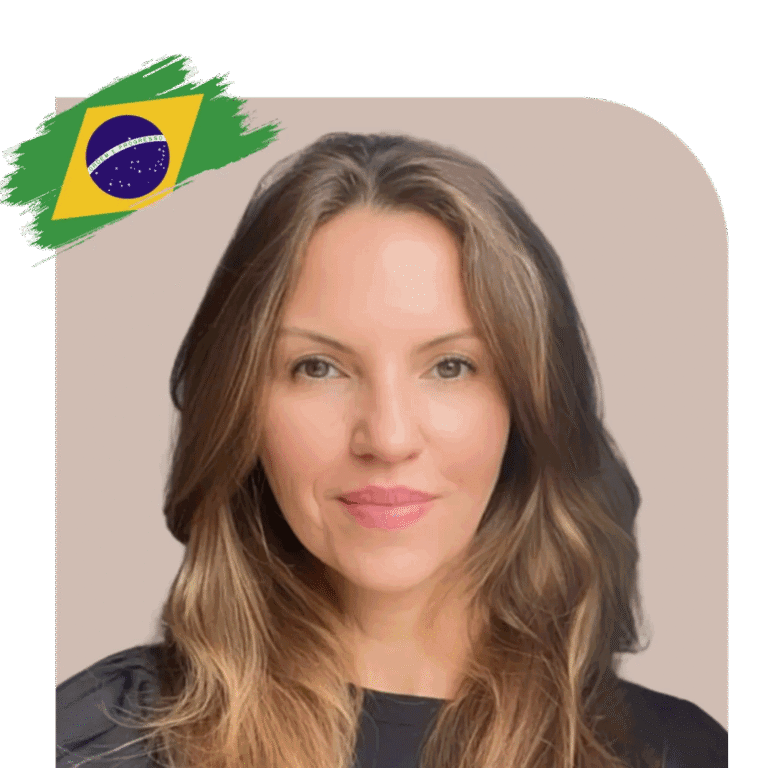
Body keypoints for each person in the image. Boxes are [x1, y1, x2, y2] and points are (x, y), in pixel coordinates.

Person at [56, 133, 727, 768]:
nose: (388, 437)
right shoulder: (94, 745)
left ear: (527, 406)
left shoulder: (680, 753)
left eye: (451, 367)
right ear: (238, 406)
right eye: (318, 367)